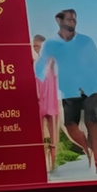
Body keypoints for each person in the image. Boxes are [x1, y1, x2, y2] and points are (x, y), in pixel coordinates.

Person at [35, 9, 97, 175]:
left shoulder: (86, 41)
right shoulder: (50, 44)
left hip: (92, 89)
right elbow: (39, 68)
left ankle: (96, 163)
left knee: (93, 123)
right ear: (59, 20)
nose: (73, 22)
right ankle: (86, 147)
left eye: (74, 19)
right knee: (70, 125)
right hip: (68, 91)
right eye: (69, 19)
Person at [32, 35, 63, 175]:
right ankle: (41, 164)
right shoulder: (35, 64)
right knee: (38, 135)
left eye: (39, 46)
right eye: (35, 46)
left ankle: (53, 163)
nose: (37, 48)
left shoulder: (53, 63)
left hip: (50, 101)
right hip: (39, 102)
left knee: (53, 135)